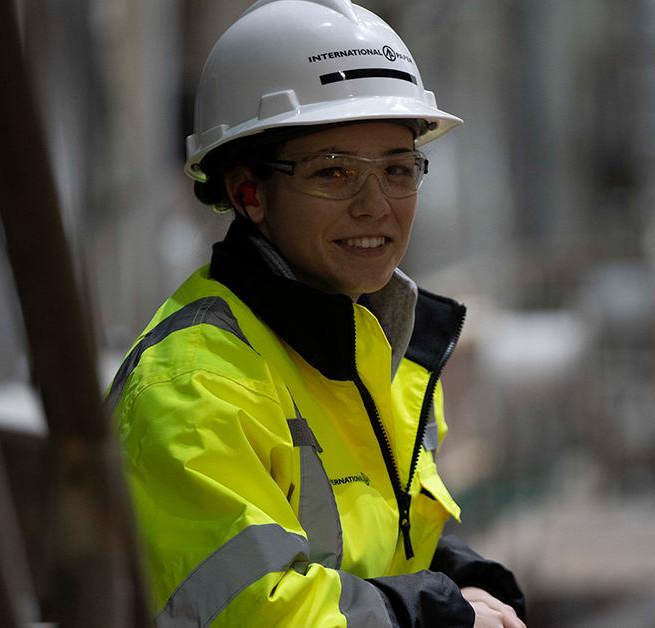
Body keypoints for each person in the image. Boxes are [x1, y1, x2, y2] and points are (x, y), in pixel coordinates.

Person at [108, 0, 527, 625]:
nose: (375, 206)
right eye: (333, 173)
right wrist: (438, 610)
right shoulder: (194, 389)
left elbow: (370, 537)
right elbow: (261, 614)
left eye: (398, 169)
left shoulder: (383, 348)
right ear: (248, 192)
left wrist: (456, 570)